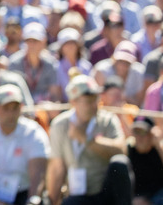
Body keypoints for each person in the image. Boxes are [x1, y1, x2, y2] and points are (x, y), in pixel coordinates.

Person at [47, 75, 132, 205]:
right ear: (73, 102)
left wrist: (88, 140)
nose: (94, 105)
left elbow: (122, 150)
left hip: (106, 192)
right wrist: (52, 200)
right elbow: (57, 167)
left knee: (119, 163)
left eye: (95, 99)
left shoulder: (107, 120)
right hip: (79, 195)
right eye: (88, 101)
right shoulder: (60, 125)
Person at [126, 116, 163, 205]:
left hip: (157, 196)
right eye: (136, 131)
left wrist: (158, 145)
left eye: (142, 132)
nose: (139, 137)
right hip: (136, 197)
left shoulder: (158, 150)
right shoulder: (129, 150)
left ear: (151, 134)